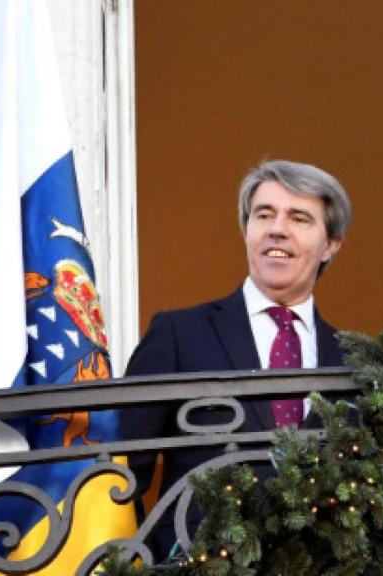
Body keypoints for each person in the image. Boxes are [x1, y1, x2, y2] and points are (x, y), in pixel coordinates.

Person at [122, 159, 351, 560]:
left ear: (331, 244)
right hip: (199, 562)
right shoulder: (179, 334)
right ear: (247, 230)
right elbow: (123, 469)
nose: (277, 228)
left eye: (299, 218)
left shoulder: (354, 359)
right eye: (264, 214)